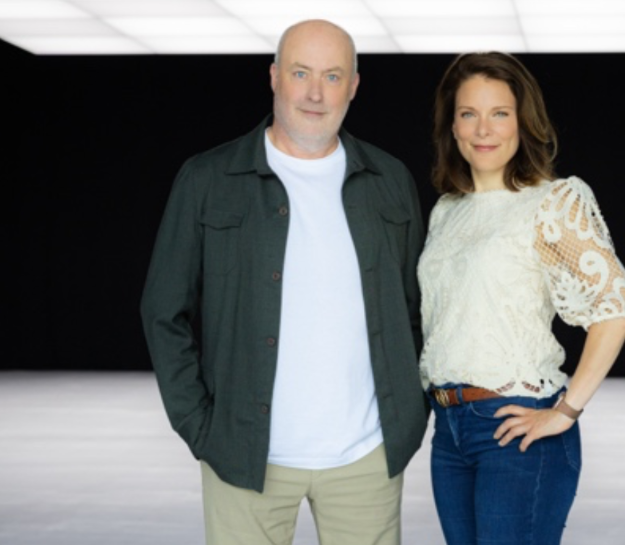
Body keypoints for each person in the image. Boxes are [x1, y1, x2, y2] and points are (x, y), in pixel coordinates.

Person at [140, 19, 427, 545]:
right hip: (244, 456)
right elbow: (163, 312)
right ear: (274, 77)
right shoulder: (208, 179)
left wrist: (410, 413)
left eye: (332, 76)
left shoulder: (390, 181)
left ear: (353, 86)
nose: (315, 93)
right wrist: (199, 426)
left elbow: (417, 311)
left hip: (366, 458)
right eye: (300, 73)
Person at [418, 52, 625, 544]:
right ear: (452, 126)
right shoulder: (447, 210)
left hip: (514, 425)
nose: (484, 129)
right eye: (469, 113)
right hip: (449, 429)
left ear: (523, 122)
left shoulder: (552, 201)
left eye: (500, 113)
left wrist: (566, 410)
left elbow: (617, 306)